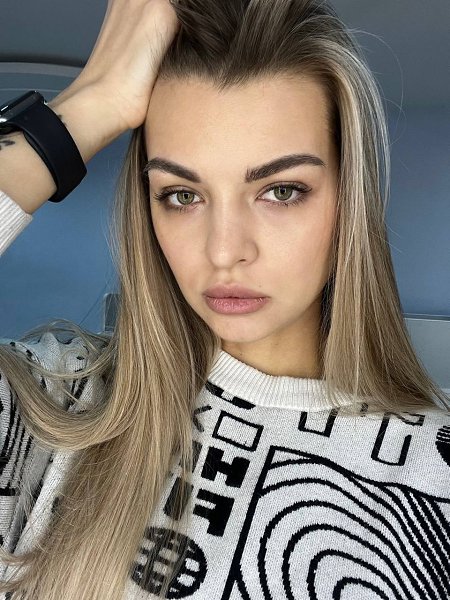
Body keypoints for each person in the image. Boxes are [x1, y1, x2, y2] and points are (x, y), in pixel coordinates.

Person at [0, 0, 449, 598]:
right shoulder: (57, 400)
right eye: (182, 195)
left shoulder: (434, 472)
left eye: (281, 191)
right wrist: (86, 109)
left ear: (350, 199)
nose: (224, 250)